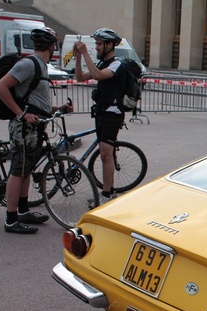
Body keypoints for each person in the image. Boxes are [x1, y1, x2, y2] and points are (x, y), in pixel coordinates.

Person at [0, 28, 73, 234]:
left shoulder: (41, 66)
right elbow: (0, 87)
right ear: (51, 46)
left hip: (36, 125)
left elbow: (35, 100)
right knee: (18, 170)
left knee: (26, 169)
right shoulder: (28, 64)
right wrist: (21, 114)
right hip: (24, 127)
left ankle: (22, 210)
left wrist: (57, 108)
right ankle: (11, 220)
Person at [73, 28, 126, 203]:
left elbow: (97, 75)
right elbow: (80, 78)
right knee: (104, 154)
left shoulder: (117, 64)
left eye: (99, 44)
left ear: (110, 45)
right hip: (101, 112)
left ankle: (106, 195)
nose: (96, 47)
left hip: (113, 113)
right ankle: (108, 192)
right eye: (95, 43)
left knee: (105, 153)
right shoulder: (103, 64)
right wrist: (79, 58)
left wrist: (85, 53)